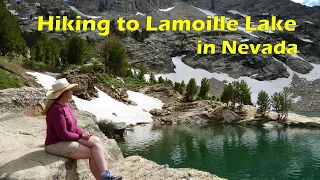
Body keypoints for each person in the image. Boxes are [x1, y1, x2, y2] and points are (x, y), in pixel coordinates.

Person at [43, 78, 122, 180]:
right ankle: (104, 177)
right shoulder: (56, 110)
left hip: (66, 139)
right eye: (70, 90)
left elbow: (74, 126)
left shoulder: (66, 105)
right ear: (63, 93)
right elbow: (63, 134)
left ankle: (105, 174)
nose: (72, 91)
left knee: (96, 141)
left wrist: (83, 132)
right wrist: (80, 136)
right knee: (93, 153)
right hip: (56, 144)